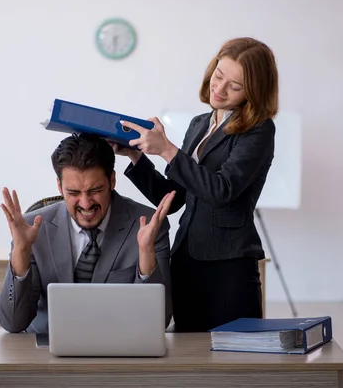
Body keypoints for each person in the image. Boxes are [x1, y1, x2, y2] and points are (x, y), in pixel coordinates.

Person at [111, 37, 278, 332]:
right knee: (189, 357)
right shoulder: (200, 124)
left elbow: (222, 190)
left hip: (229, 267)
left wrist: (166, 149)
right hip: (186, 260)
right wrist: (137, 157)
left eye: (234, 86)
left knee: (234, 363)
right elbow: (173, 199)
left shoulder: (259, 129)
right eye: (218, 75)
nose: (220, 88)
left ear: (253, 91)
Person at [0, 133, 175, 334]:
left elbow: (157, 322)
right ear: (59, 186)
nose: (85, 203)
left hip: (118, 348)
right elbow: (13, 323)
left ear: (112, 181)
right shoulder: (34, 228)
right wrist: (20, 252)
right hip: (46, 351)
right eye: (73, 193)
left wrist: (145, 255)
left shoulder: (148, 225)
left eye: (95, 190)